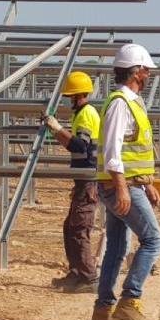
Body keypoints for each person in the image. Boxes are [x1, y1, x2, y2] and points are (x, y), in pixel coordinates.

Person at [89, 44, 160, 320]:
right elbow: (112, 152)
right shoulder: (121, 103)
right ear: (137, 72)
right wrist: (122, 189)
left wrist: (147, 183)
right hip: (119, 186)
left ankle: (102, 311)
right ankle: (129, 302)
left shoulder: (130, 101)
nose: (149, 76)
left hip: (129, 185)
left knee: (117, 246)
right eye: (146, 70)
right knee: (154, 240)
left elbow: (136, 152)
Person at [42, 71, 100, 293]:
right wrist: (56, 129)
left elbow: (79, 146)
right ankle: (77, 273)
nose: (70, 100)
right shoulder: (82, 114)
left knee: (79, 228)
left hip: (89, 180)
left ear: (79, 95)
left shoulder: (86, 114)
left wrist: (57, 128)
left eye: (72, 96)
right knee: (70, 227)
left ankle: (88, 277)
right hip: (83, 180)